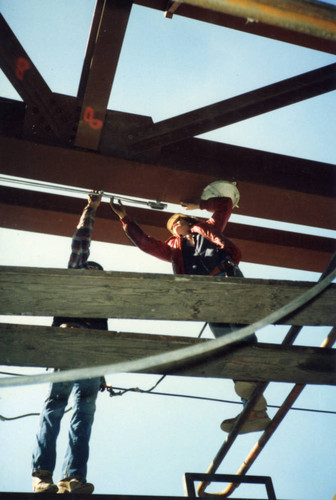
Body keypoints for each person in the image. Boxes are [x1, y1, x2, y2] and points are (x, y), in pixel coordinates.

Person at [110, 194, 271, 434]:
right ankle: (254, 407)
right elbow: (146, 243)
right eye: (171, 226)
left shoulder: (207, 228)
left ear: (187, 220)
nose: (174, 227)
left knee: (240, 331)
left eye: (177, 222)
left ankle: (254, 403)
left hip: (226, 277)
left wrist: (199, 205)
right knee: (226, 341)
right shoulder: (173, 248)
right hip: (205, 292)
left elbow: (225, 204)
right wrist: (125, 218)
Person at [32, 191, 107, 494]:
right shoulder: (77, 277)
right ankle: (43, 476)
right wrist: (90, 209)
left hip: (89, 353)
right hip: (68, 340)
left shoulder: (101, 305)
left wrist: (102, 372)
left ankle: (72, 477)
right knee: (56, 408)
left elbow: (102, 338)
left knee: (83, 415)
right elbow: (81, 243)